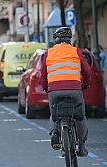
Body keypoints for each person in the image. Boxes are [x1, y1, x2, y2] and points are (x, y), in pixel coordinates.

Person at [41, 27, 92, 157]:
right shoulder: (76, 51)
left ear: (56, 40)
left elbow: (43, 73)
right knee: (80, 115)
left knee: (54, 112)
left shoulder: (48, 53)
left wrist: (46, 87)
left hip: (54, 90)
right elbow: (87, 71)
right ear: (70, 39)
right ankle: (81, 145)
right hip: (74, 89)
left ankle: (55, 133)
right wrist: (84, 85)